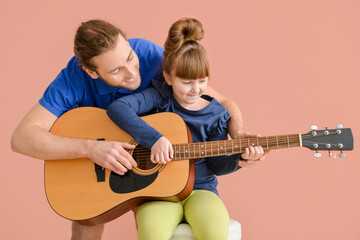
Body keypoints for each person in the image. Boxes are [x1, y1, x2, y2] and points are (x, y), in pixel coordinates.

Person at [10, 19, 259, 239]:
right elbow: (22, 138)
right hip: (101, 170)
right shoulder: (72, 80)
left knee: (156, 216)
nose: (132, 73)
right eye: (116, 70)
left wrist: (237, 138)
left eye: (129, 57)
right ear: (90, 71)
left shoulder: (152, 55)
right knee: (85, 217)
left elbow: (222, 103)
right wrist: (91, 149)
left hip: (162, 173)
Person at [107, 18, 264, 240]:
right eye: (186, 82)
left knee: (214, 232)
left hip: (201, 190)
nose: (195, 89)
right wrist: (155, 139)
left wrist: (240, 160)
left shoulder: (216, 113)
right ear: (168, 77)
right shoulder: (159, 96)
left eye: (202, 81)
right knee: (152, 232)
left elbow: (216, 165)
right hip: (159, 194)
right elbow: (118, 108)